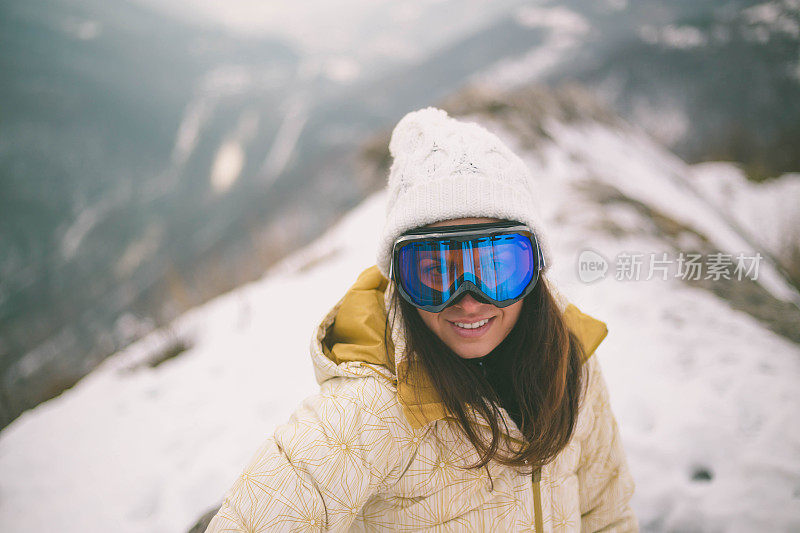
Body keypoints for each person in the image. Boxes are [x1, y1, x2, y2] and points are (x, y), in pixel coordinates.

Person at [205, 107, 638, 532]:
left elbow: (607, 515)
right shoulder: (371, 412)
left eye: (496, 267)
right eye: (434, 273)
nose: (468, 302)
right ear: (400, 281)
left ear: (535, 267)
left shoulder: (570, 367)